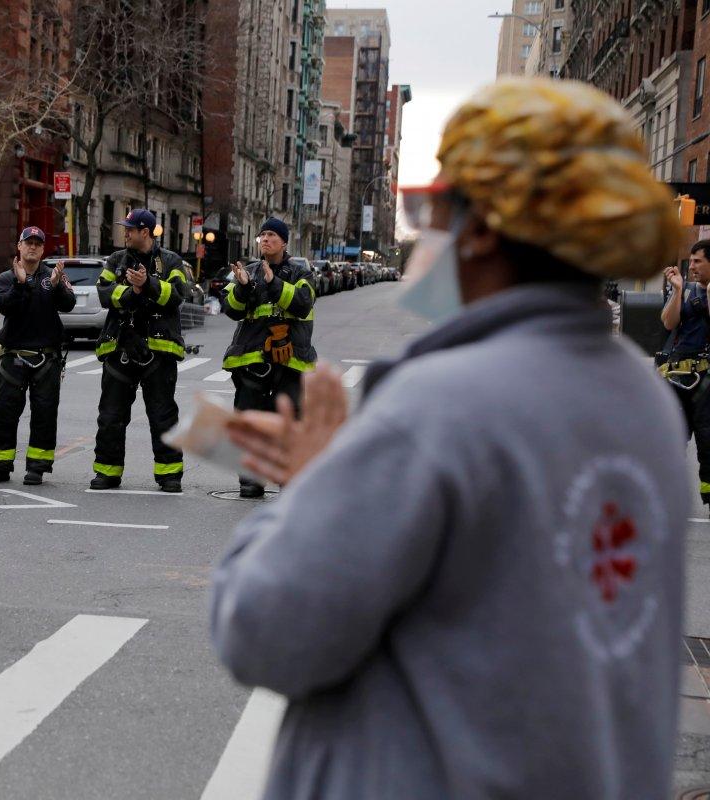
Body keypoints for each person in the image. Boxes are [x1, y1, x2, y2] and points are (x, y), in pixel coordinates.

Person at [212, 78, 687, 799]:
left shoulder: (438, 406)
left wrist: (313, 485)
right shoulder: (641, 398)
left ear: (485, 226)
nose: (426, 233)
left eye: (435, 208)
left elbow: (263, 631)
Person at [90, 209, 190, 493]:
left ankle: (169, 475)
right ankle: (107, 472)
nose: (125, 233)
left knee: (163, 415)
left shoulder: (171, 261)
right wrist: (132, 292)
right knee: (111, 415)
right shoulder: (116, 260)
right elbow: (104, 293)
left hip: (159, 352)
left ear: (145, 232)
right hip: (120, 348)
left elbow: (177, 295)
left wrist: (148, 284)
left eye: (130, 229)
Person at [221, 217, 316, 498]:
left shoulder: (301, 273)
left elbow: (302, 304)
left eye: (272, 235)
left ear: (284, 242)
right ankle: (251, 480)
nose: (265, 239)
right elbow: (230, 308)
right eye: (262, 235)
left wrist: (274, 282)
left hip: (291, 362)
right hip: (252, 361)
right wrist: (242, 287)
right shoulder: (247, 271)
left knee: (289, 422)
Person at [0, 226, 75, 486]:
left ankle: (37, 467)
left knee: (44, 413)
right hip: (13, 356)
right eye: (28, 242)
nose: (32, 247)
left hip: (47, 357)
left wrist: (56, 286)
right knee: (4, 412)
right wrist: (21, 284)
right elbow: (5, 306)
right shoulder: (6, 277)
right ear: (19, 246)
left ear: (43, 249)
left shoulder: (54, 275)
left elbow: (68, 304)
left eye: (37, 243)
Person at [659, 242, 710, 509]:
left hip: (706, 382)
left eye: (698, 261)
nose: (691, 267)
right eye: (691, 261)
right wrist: (678, 291)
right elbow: (669, 322)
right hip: (678, 377)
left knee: (708, 443)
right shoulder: (687, 290)